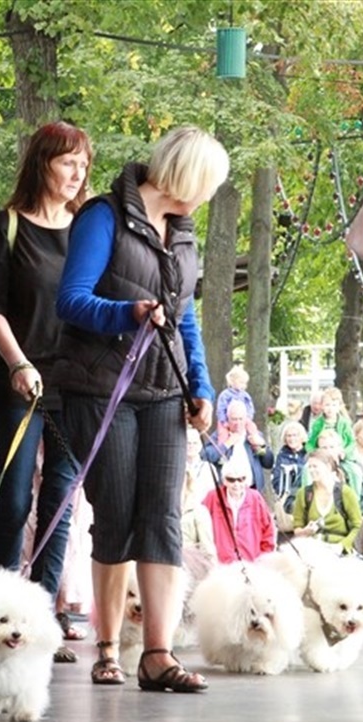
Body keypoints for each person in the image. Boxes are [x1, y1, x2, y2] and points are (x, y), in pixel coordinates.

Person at [55, 125, 227, 691]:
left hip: (163, 393)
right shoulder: (102, 217)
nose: (208, 196)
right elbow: (73, 300)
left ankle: (159, 652)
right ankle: (107, 648)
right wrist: (127, 311)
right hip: (103, 389)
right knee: (118, 517)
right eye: (210, 184)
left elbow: (186, 319)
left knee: (164, 521)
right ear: (190, 176)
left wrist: (200, 386)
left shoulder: (182, 234)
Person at [0, 121, 91, 653]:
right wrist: (18, 365)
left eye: (83, 163)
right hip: (21, 382)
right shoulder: (5, 227)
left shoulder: (88, 226)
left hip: (75, 383)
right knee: (15, 498)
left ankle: (44, 618)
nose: (78, 172)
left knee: (61, 502)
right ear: (42, 162)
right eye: (68, 161)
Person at [290, 450, 363, 555]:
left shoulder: (345, 493)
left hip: (339, 551)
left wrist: (342, 546)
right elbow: (297, 529)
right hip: (312, 550)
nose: (311, 470)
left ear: (328, 467)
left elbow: (358, 527)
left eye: (315, 466)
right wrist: (306, 531)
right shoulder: (304, 494)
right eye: (309, 467)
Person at [203, 458, 275, 564]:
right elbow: (200, 524)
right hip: (221, 564)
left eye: (241, 479)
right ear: (224, 480)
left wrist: (264, 557)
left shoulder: (255, 498)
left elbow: (268, 529)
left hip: (251, 562)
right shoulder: (213, 497)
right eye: (231, 479)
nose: (236, 484)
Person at [200, 399, 273, 491]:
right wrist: (226, 444)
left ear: (246, 418)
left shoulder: (253, 434)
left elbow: (268, 463)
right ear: (228, 419)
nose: (238, 423)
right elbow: (205, 456)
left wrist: (262, 445)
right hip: (226, 490)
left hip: (252, 490)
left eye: (240, 419)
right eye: (234, 419)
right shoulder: (220, 435)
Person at [215, 365, 256, 429]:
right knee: (223, 435)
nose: (244, 385)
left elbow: (250, 408)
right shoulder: (225, 395)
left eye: (245, 383)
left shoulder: (245, 396)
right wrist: (224, 421)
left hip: (243, 422)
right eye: (241, 382)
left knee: (253, 430)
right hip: (227, 422)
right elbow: (221, 409)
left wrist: (248, 418)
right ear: (232, 381)